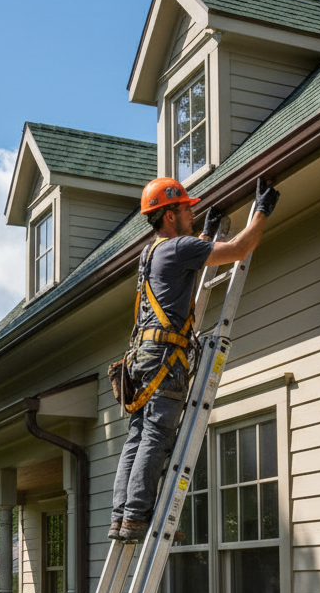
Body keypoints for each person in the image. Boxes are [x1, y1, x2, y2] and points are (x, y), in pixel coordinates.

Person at [110, 175, 280, 542]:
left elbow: (189, 258)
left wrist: (205, 233)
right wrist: (262, 211)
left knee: (138, 436)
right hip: (164, 360)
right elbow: (238, 249)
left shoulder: (152, 251)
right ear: (169, 215)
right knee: (156, 435)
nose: (193, 211)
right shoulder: (177, 248)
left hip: (143, 357)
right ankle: (138, 516)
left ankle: (123, 515)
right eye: (187, 208)